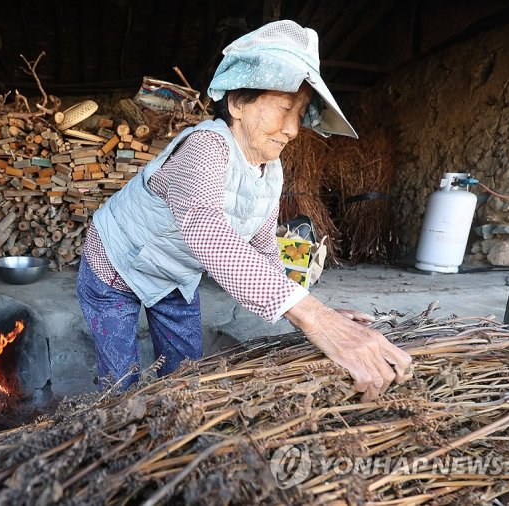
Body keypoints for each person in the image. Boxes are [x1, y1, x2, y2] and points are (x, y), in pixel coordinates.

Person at [76, 20, 413, 400]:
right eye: (284, 108)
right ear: (237, 103)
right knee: (120, 387)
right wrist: (315, 318)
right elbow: (208, 233)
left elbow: (264, 249)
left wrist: (316, 311)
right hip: (116, 262)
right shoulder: (206, 146)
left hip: (173, 271)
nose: (292, 130)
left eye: (300, 115)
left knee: (186, 377)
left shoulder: (272, 171)